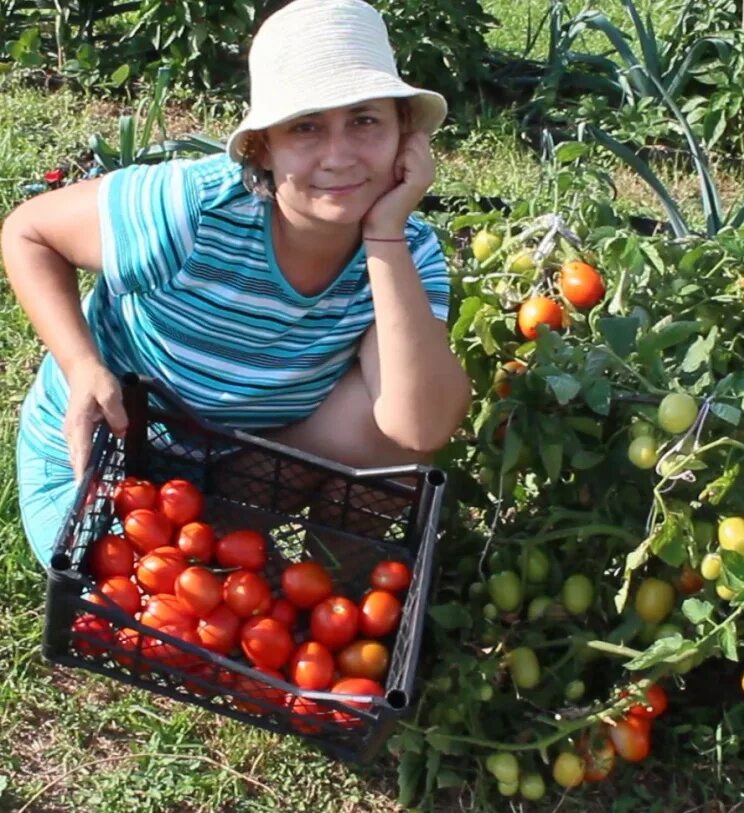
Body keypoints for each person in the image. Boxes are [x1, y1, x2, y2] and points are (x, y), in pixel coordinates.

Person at [1, 0, 472, 567]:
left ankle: (330, 601)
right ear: (262, 148)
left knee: (386, 434)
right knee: (132, 622)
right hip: (107, 456)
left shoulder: (407, 250)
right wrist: (82, 369)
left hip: (239, 465)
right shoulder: (192, 211)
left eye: (365, 120)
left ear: (406, 135)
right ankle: (242, 576)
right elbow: (29, 232)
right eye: (306, 127)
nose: (339, 155)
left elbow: (415, 427)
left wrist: (386, 236)